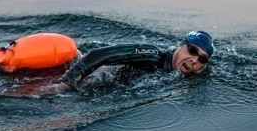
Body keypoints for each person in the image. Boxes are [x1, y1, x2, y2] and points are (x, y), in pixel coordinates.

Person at [39, 30, 215, 95]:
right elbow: (100, 54)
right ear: (180, 45)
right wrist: (66, 83)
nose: (194, 59)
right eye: (192, 50)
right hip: (88, 82)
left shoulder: (182, 80)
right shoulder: (152, 55)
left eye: (202, 59)